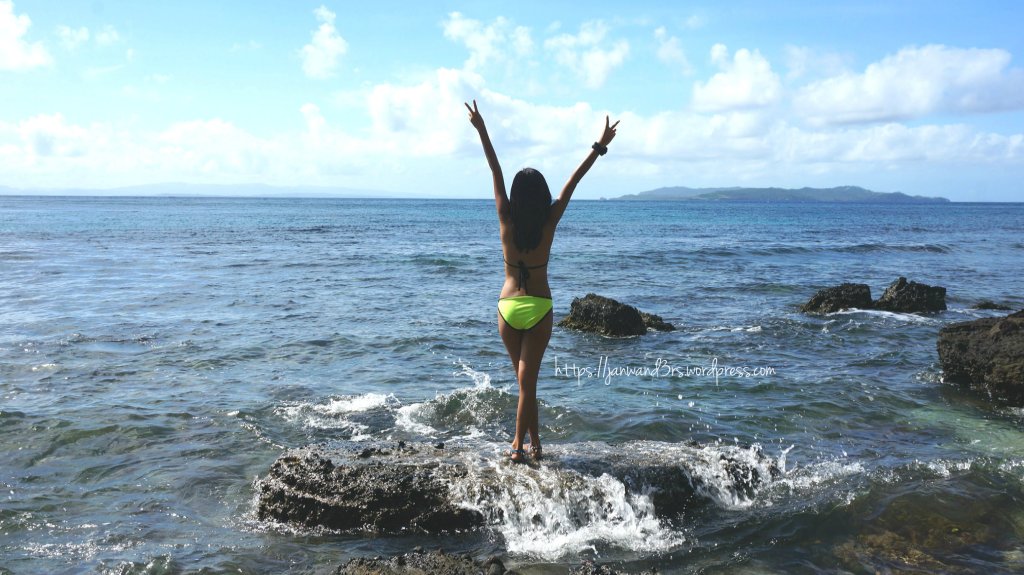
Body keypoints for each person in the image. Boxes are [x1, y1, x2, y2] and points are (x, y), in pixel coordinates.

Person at [465, 99, 618, 463]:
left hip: (507, 308)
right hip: (539, 307)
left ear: (517, 198)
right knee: (527, 383)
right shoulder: (549, 222)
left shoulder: (505, 217)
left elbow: (495, 169)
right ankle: (520, 447)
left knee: (524, 384)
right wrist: (599, 146)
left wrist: (481, 128)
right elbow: (572, 182)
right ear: (541, 197)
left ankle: (533, 444)